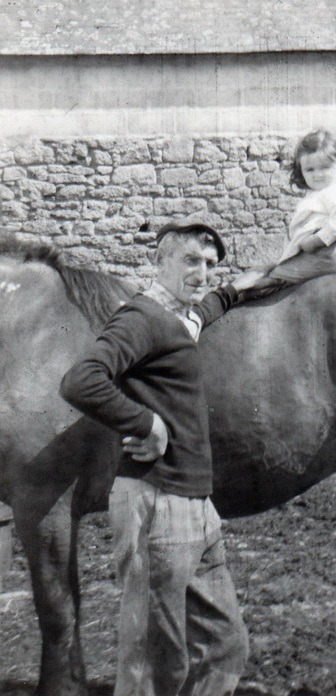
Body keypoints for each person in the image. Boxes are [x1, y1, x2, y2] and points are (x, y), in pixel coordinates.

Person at [60, 221, 260, 696]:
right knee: (154, 665)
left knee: (225, 647)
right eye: (191, 260)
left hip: (197, 507)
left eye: (210, 264)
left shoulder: (180, 319)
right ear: (159, 261)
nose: (203, 272)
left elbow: (208, 307)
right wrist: (146, 424)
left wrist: (246, 283)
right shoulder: (140, 318)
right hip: (157, 504)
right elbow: (81, 380)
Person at [248, 129, 336, 292]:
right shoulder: (318, 194)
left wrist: (316, 241)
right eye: (310, 170)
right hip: (324, 251)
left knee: (279, 275)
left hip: (331, 251)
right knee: (280, 267)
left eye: (325, 167)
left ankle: (262, 289)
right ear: (301, 172)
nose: (318, 175)